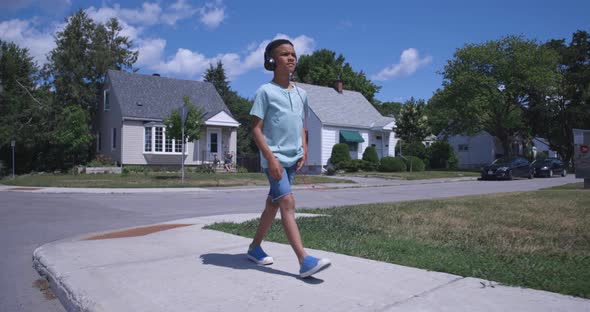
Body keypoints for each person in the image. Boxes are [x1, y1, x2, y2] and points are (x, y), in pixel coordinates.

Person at [246, 39, 331, 278]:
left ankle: (254, 248)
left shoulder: (302, 94)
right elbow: (255, 129)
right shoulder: (265, 92)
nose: (291, 58)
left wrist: (304, 148)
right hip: (274, 160)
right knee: (287, 203)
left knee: (272, 205)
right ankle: (304, 260)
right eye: (284, 54)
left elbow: (301, 124)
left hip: (293, 159)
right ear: (271, 61)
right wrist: (271, 159)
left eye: (293, 54)